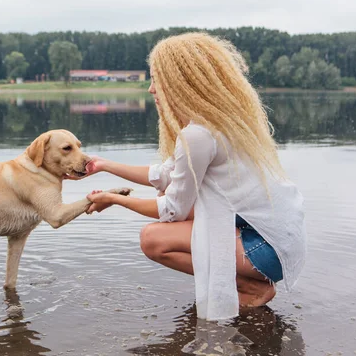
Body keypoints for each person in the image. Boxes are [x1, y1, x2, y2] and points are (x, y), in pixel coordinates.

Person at [78, 33, 306, 321]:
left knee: (153, 238)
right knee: (175, 204)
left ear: (180, 82)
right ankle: (251, 281)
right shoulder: (218, 122)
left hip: (266, 248)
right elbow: (164, 176)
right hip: (280, 239)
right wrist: (103, 165)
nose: (150, 90)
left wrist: (114, 200)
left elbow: (172, 211)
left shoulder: (197, 135)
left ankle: (250, 287)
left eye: (156, 80)